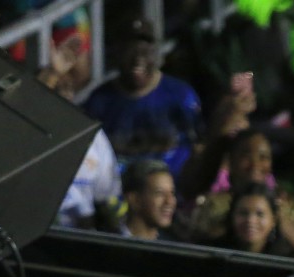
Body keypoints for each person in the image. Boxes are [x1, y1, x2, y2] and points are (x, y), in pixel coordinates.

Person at [84, 23, 204, 176]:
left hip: (174, 189)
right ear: (117, 53)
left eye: (145, 50)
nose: (137, 58)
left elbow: (199, 145)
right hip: (119, 192)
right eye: (129, 50)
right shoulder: (99, 101)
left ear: (155, 54)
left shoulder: (180, 95)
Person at [119, 161, 179, 241]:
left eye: (172, 193)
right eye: (159, 193)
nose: (169, 201)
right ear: (134, 200)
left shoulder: (173, 247)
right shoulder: (105, 242)